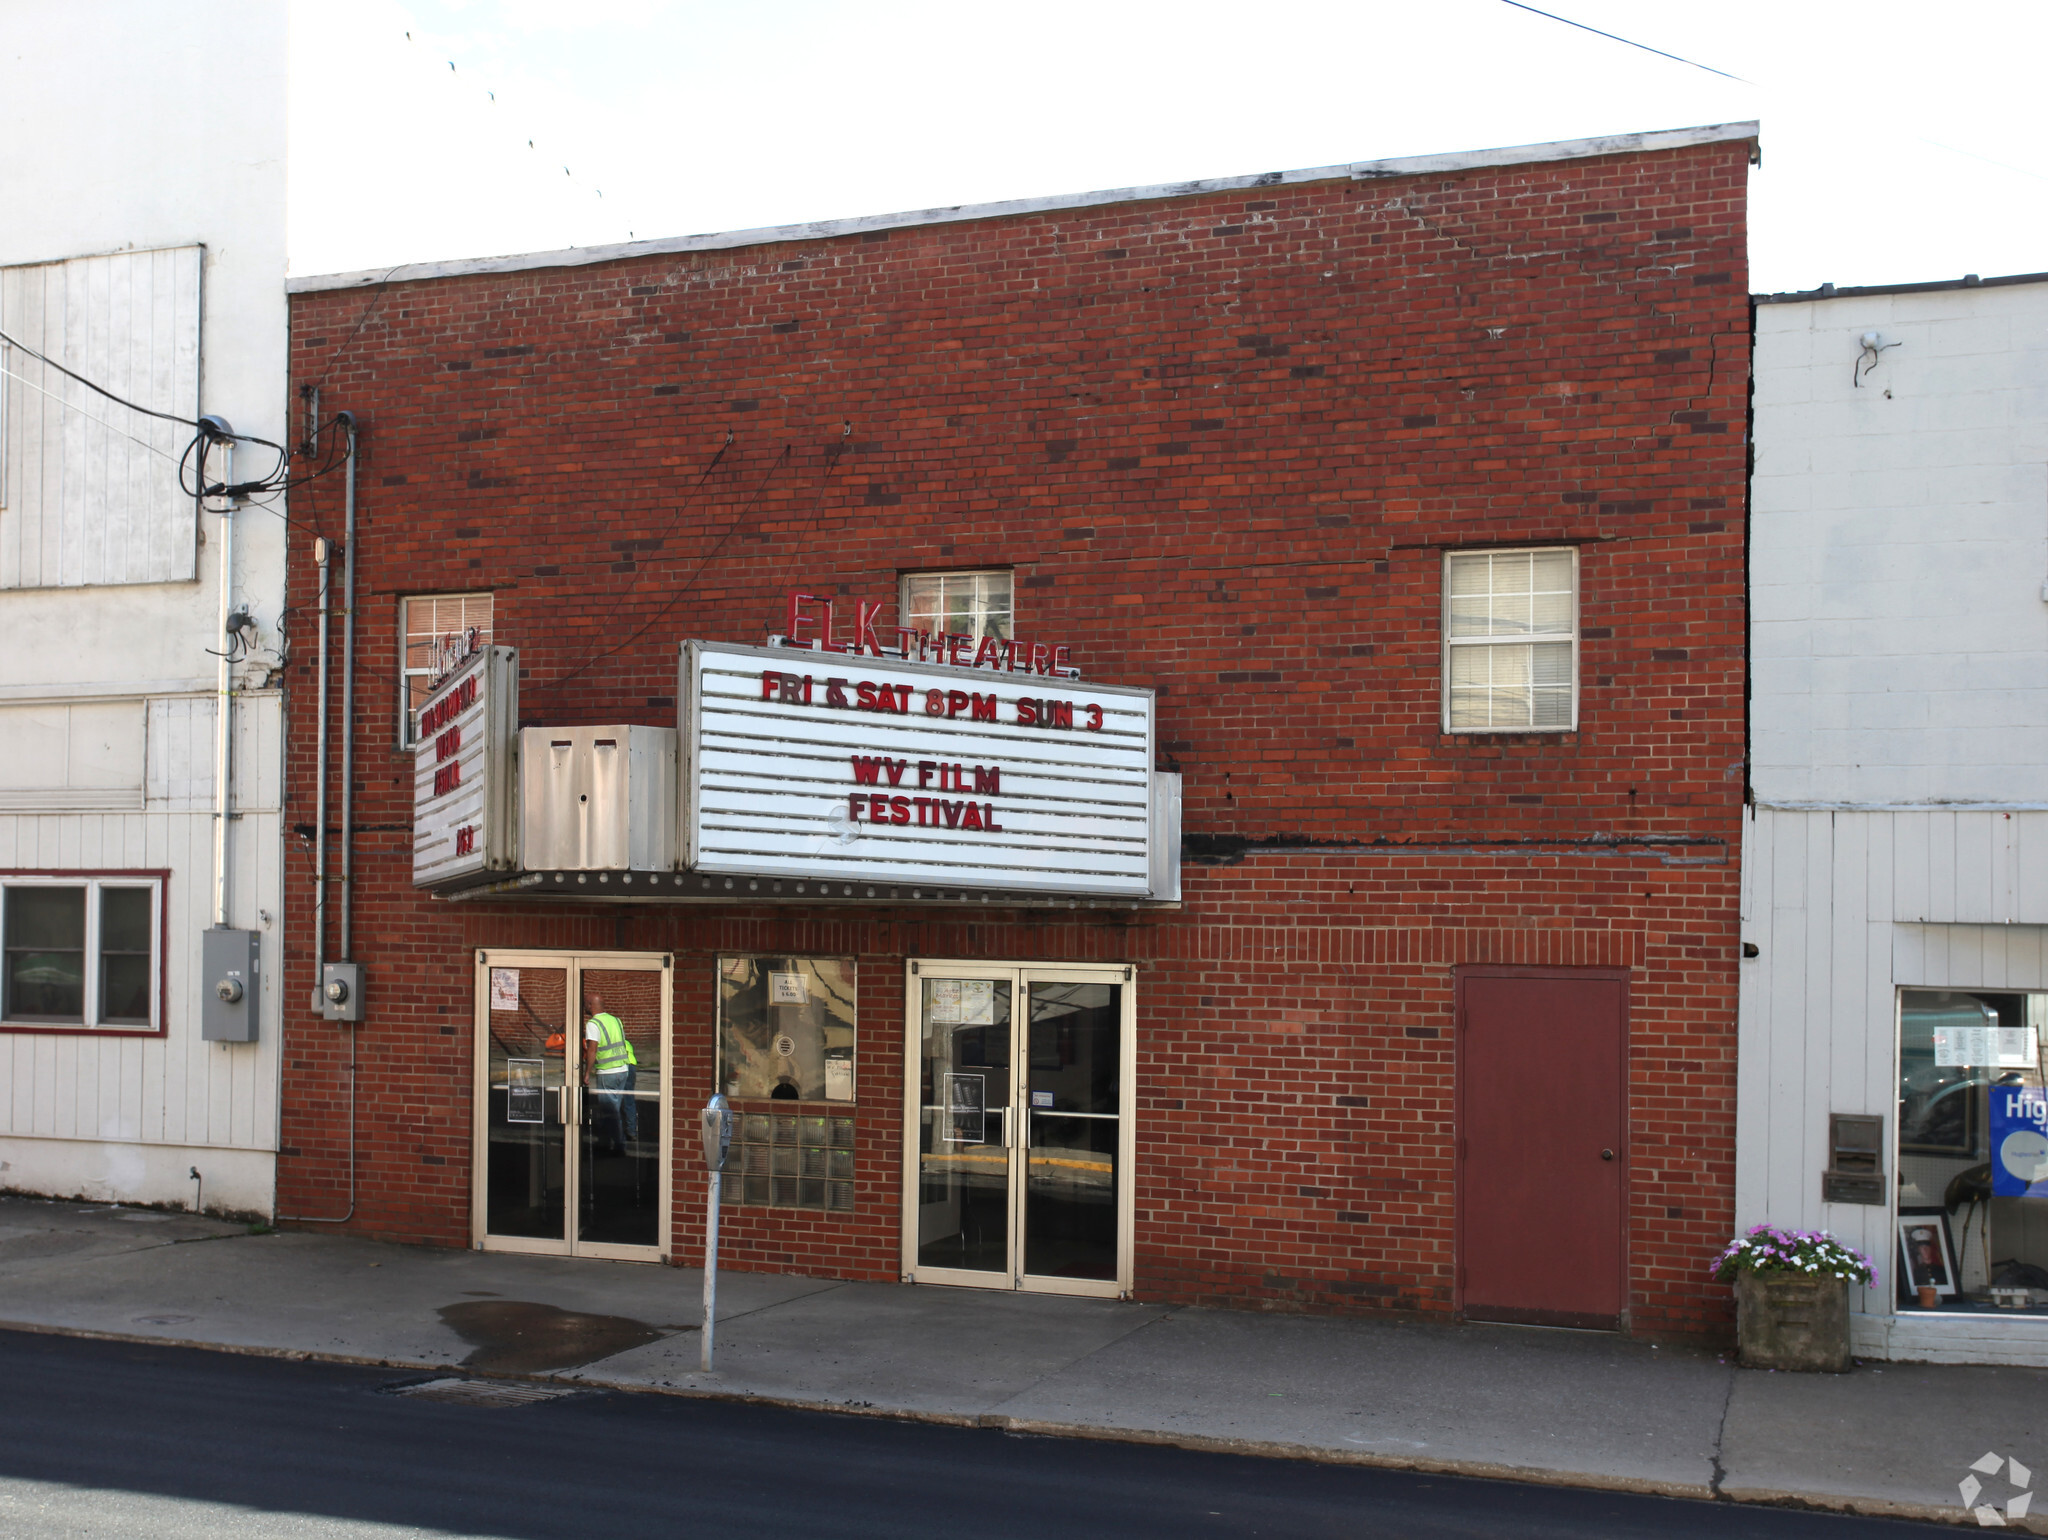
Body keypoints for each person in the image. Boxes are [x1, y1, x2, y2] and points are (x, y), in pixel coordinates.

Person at [582, 985, 639, 1154]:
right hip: (623, 1069)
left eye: (586, 1003)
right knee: (616, 1108)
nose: (584, 1006)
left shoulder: (593, 1024)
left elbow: (592, 1049)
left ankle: (618, 1145)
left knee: (610, 1111)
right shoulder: (616, 1020)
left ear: (591, 1005)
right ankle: (612, 1139)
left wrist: (587, 1072)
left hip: (608, 1072)